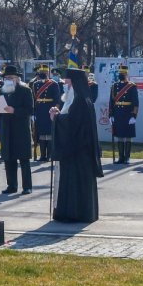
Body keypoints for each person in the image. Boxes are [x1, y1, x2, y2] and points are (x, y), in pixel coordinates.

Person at [50, 68, 103, 222]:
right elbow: (70, 118)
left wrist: (56, 118)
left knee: (76, 184)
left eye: (69, 84)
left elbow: (72, 124)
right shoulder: (76, 99)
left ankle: (74, 214)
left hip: (77, 152)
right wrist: (59, 115)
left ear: (75, 84)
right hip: (77, 150)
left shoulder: (80, 101)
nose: (66, 86)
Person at [0, 65, 33, 195]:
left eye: (10, 77)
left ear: (17, 78)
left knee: (23, 159)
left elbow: (30, 110)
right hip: (7, 129)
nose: (8, 80)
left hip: (21, 130)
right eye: (6, 78)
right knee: (8, 159)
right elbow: (1, 110)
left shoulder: (25, 90)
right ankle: (11, 185)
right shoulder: (3, 90)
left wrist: (15, 110)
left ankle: (27, 186)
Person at [108, 64, 139, 164]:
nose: (121, 75)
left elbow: (136, 102)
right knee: (119, 135)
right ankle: (121, 157)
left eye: (123, 73)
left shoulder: (131, 86)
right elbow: (111, 102)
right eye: (120, 73)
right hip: (118, 113)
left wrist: (134, 116)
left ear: (126, 74)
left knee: (128, 136)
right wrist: (111, 115)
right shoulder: (114, 86)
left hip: (128, 113)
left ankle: (127, 157)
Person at [31, 65, 62, 163]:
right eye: (41, 72)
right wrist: (33, 113)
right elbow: (34, 100)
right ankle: (42, 155)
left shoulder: (54, 84)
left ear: (48, 73)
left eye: (45, 72)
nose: (43, 74)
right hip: (40, 111)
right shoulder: (35, 84)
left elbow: (57, 99)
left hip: (49, 111)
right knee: (41, 133)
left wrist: (55, 110)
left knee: (49, 133)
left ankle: (49, 154)